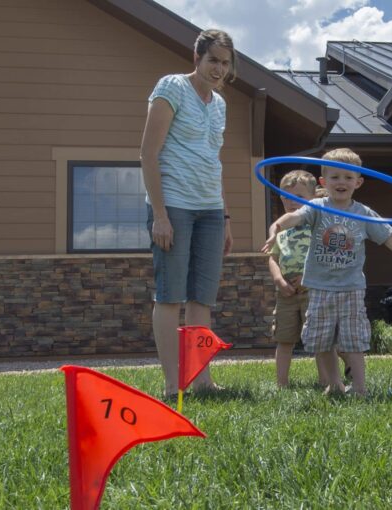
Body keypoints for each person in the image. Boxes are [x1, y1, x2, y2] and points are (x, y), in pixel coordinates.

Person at [262, 148, 392, 395]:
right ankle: (334, 383)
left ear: (358, 182)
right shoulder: (315, 207)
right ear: (324, 182)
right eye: (335, 177)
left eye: (348, 177)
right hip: (320, 288)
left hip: (351, 288)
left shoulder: (363, 213)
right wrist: (275, 230)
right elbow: (291, 219)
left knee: (353, 341)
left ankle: (359, 388)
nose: (341, 182)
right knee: (322, 341)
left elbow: (391, 240)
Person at [140, 29, 236, 399]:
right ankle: (171, 383)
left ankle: (202, 380)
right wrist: (160, 215)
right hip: (174, 204)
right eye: (213, 60)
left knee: (202, 298)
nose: (219, 69)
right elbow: (148, 154)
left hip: (210, 208)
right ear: (196, 57)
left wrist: (225, 216)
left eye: (225, 63)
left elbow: (213, 162)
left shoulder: (221, 104)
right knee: (170, 296)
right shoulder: (172, 87)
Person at [268, 170, 316, 388]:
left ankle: (331, 380)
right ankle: (281, 384)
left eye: (299, 197)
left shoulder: (317, 225)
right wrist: (279, 280)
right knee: (284, 339)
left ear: (313, 199)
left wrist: (309, 276)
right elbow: (273, 258)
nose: (292, 201)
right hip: (286, 292)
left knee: (322, 340)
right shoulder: (280, 230)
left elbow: (325, 257)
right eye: (286, 196)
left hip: (313, 290)